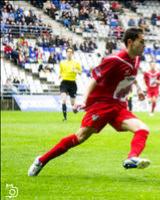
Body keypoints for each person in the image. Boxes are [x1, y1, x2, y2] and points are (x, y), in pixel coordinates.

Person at [28, 28, 151, 177]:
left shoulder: (136, 59)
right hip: (102, 105)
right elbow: (94, 79)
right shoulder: (114, 60)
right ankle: (41, 160)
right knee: (79, 137)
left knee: (142, 129)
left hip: (118, 106)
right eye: (141, 42)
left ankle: (131, 158)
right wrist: (84, 101)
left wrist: (138, 89)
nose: (145, 45)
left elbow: (131, 75)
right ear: (130, 42)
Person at [59, 47, 82, 121]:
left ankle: (77, 108)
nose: (69, 53)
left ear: (72, 54)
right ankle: (65, 118)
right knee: (64, 100)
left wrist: (75, 70)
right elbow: (61, 71)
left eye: (70, 52)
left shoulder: (76, 63)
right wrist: (60, 75)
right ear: (66, 53)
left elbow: (80, 72)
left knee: (73, 105)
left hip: (72, 84)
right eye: (68, 52)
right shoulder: (62, 63)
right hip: (64, 83)